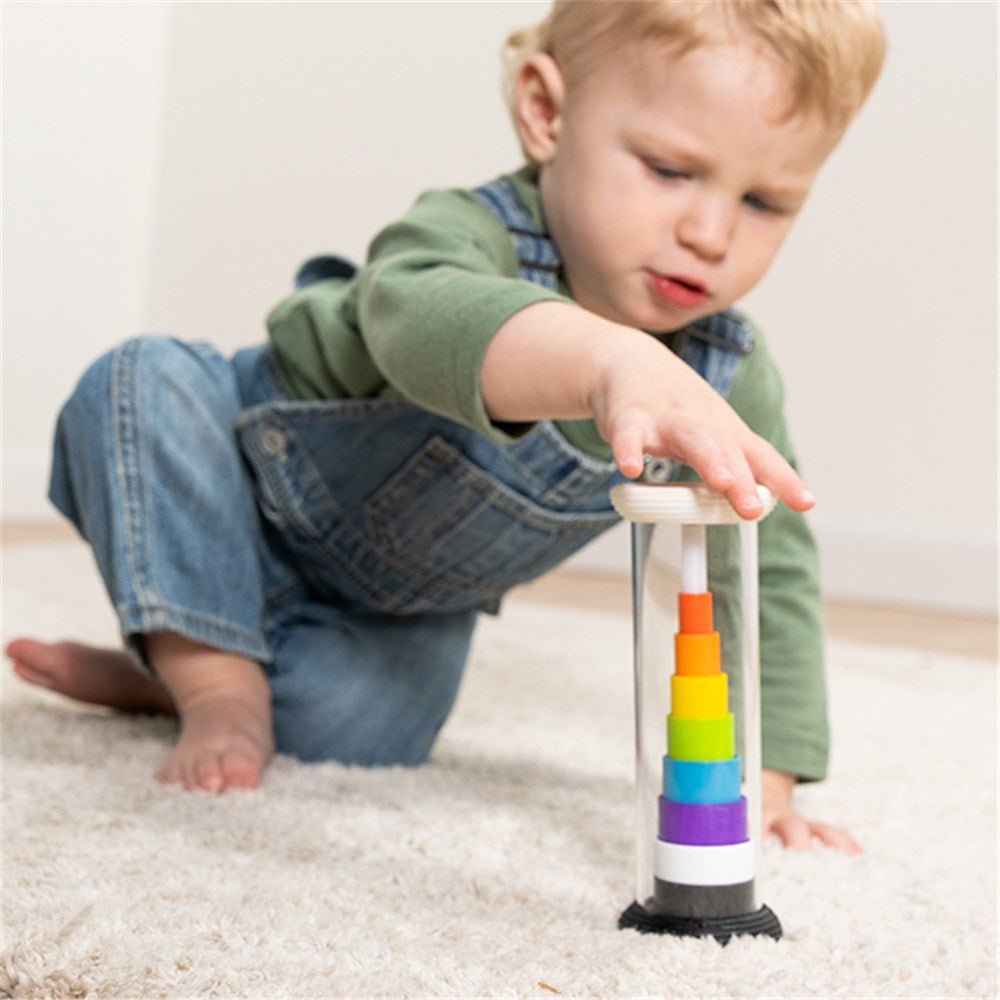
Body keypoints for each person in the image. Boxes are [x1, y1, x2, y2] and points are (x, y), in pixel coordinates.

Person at [6, 0, 885, 852]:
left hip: (388, 609)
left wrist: (764, 782)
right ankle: (211, 680)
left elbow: (759, 572)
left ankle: (165, 671)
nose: (709, 231)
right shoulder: (466, 234)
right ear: (546, 112)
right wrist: (605, 362)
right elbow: (422, 322)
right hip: (235, 480)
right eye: (668, 168)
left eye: (765, 202)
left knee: (366, 732)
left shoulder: (724, 373)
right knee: (135, 384)